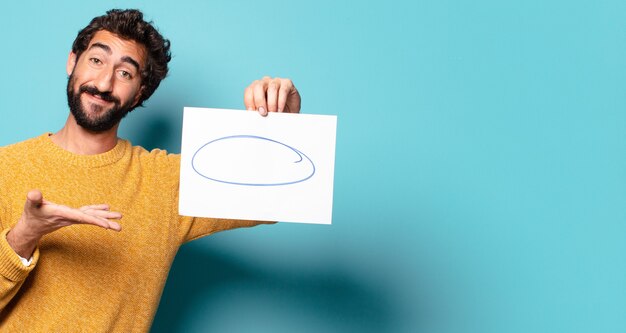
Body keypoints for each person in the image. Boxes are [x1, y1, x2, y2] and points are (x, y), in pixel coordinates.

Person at [0, 8, 301, 332]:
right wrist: (24, 236)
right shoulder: (6, 167)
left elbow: (276, 193)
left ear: (140, 93)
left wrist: (285, 121)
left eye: (125, 73)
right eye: (97, 60)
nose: (103, 83)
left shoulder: (163, 183)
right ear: (73, 61)